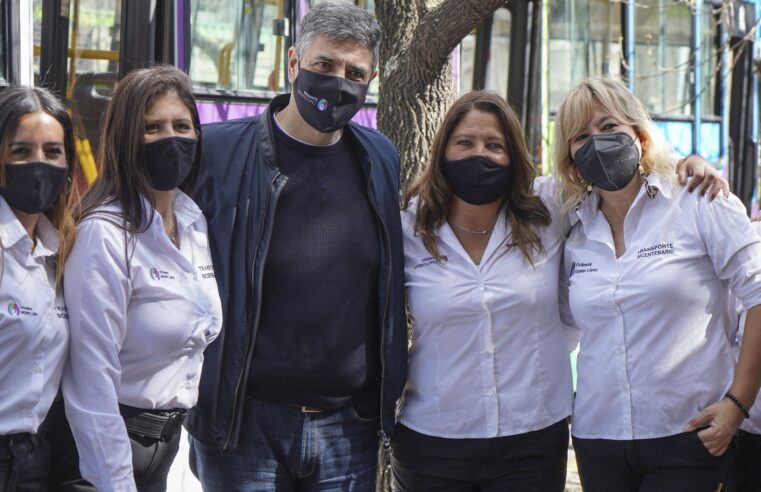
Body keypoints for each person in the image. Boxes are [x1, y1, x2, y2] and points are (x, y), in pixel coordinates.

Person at [185, 2, 407, 490]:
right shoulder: (218, 152)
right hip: (245, 427)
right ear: (293, 64)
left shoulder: (380, 157)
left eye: (355, 72)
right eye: (324, 66)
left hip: (348, 427)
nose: (338, 83)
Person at [554, 76, 761, 492]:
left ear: (640, 136)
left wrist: (739, 403)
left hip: (688, 433)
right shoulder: (571, 228)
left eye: (609, 127)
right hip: (599, 437)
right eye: (581, 136)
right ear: (571, 159)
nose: (596, 141)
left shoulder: (697, 200)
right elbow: (563, 328)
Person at [56, 65, 222, 492]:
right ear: (127, 138)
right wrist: (115, 481)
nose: (171, 138)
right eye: (153, 128)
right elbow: (91, 378)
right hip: (104, 454)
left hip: (162, 449)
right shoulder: (104, 234)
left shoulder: (191, 218)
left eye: (181, 125)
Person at [0, 86, 76, 492]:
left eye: (52, 152)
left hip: (33, 459)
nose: (38, 164)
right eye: (21, 151)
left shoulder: (60, 253)